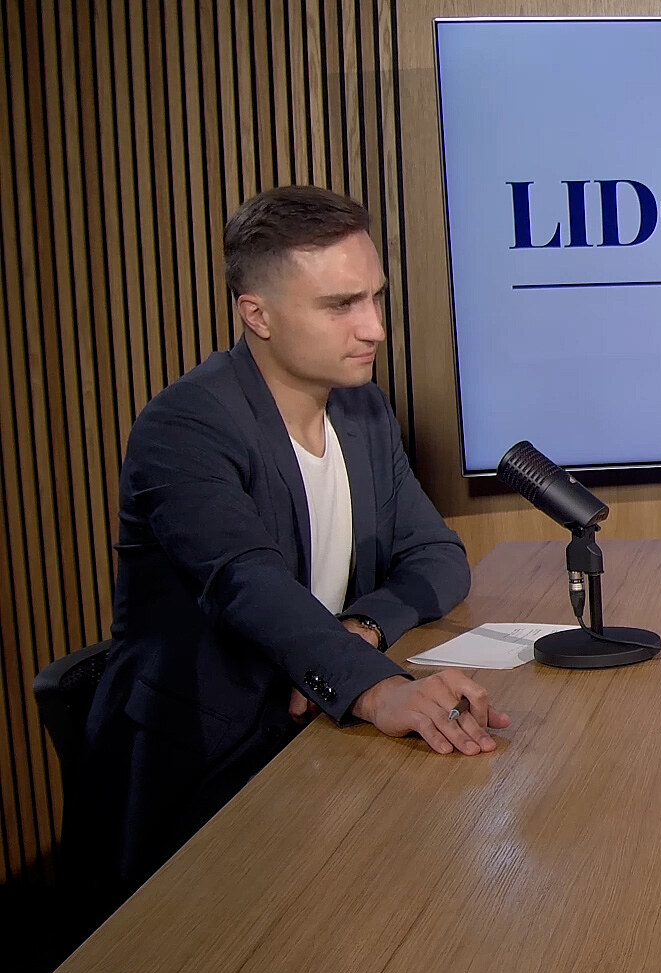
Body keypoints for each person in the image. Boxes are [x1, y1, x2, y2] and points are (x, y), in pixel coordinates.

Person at [66, 186, 510, 903]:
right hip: (207, 765)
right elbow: (247, 584)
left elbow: (437, 556)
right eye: (341, 305)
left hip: (319, 740)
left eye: (376, 297)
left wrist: (362, 629)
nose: (374, 328)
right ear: (258, 315)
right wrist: (376, 690)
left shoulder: (363, 410)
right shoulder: (185, 425)